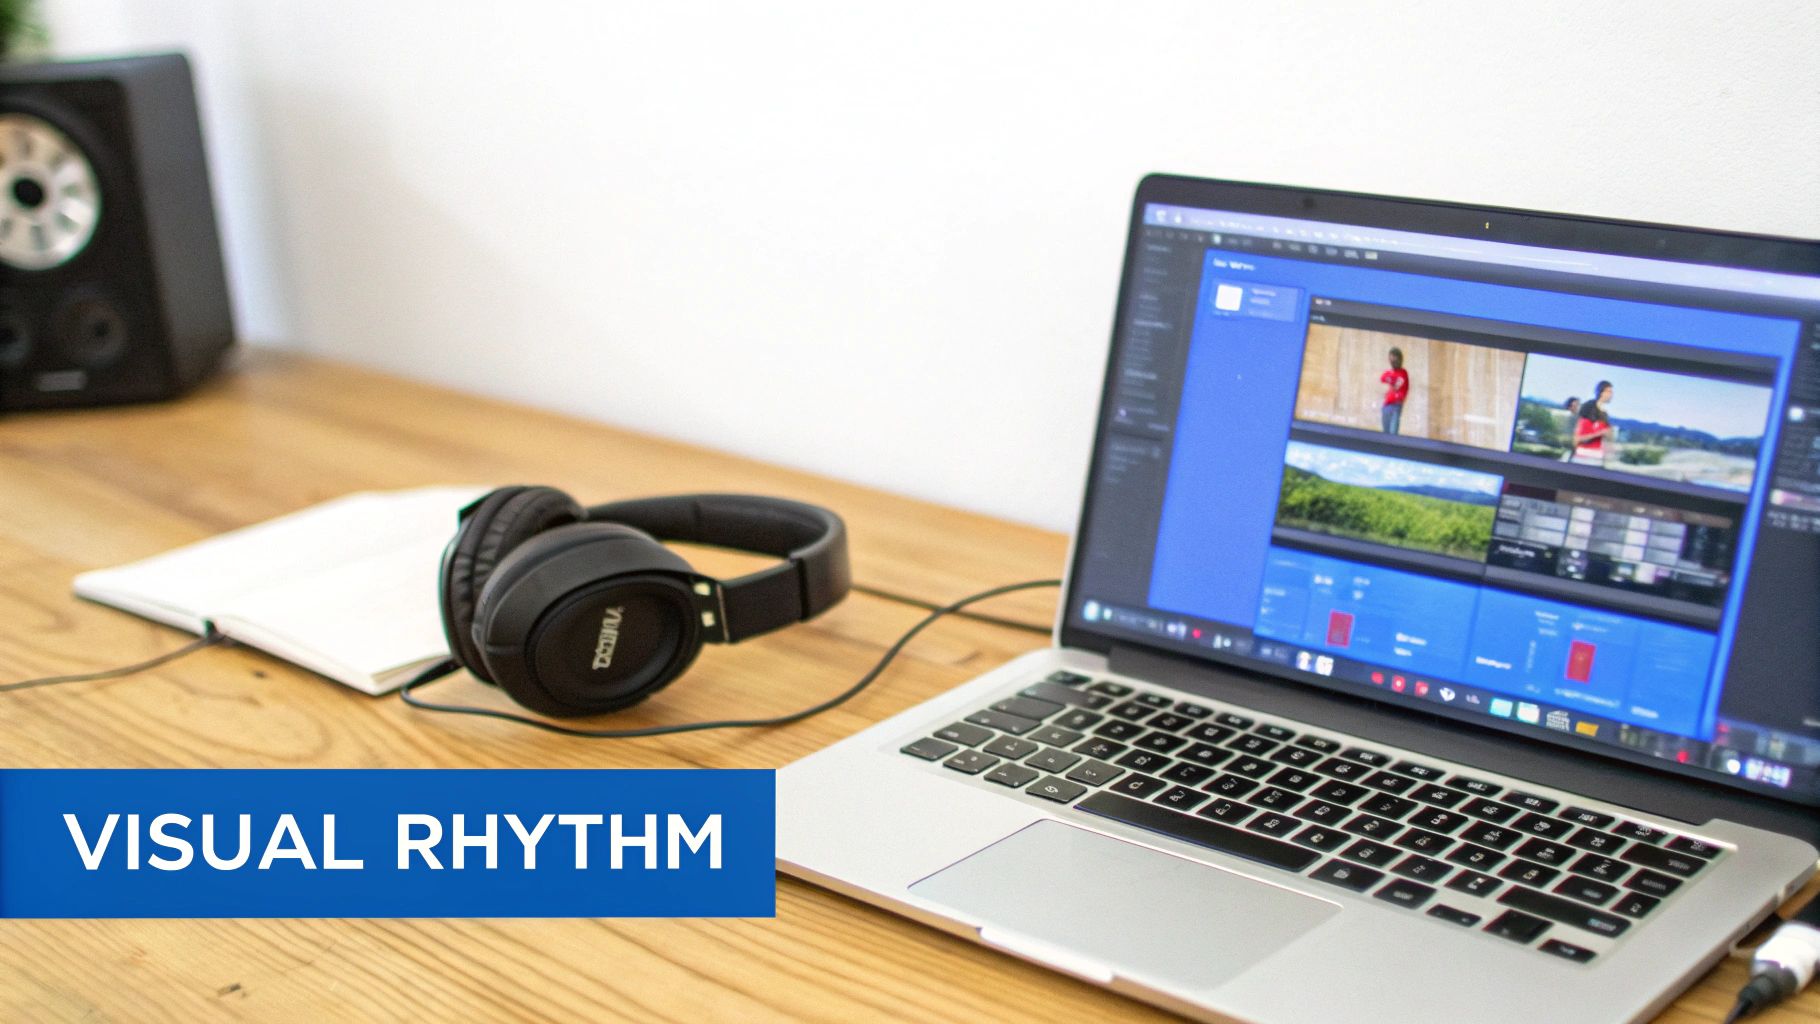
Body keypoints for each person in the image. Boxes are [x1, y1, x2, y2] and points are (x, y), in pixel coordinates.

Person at [1572, 381, 1614, 466]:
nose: (1612, 395)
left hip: (1597, 459)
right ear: (1601, 392)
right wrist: (1600, 433)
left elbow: (1606, 438)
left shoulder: (1605, 414)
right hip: (1582, 458)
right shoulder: (1588, 407)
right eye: (1609, 391)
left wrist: (1608, 434)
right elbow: (1577, 438)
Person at [1380, 347, 1409, 434]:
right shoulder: (1390, 372)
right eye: (1390, 359)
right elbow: (1382, 378)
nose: (1392, 361)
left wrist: (1391, 379)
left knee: (1393, 433)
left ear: (1399, 359)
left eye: (1394, 358)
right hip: (1386, 406)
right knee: (1386, 433)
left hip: (1396, 406)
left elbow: (1399, 383)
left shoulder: (1403, 373)